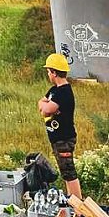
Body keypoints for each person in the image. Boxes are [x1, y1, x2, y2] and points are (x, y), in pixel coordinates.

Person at [38, 53, 82, 198]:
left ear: (54, 72)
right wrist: (45, 107)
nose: (48, 75)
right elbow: (41, 103)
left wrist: (46, 108)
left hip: (64, 138)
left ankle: (78, 204)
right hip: (57, 139)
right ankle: (71, 200)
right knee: (65, 171)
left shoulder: (64, 92)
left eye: (49, 72)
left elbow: (46, 110)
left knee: (69, 172)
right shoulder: (54, 91)